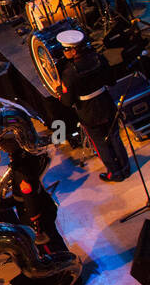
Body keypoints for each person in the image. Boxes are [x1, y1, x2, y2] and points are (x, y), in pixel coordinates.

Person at [55, 29, 129, 181]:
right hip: (106, 104)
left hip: (88, 112)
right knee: (115, 137)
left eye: (66, 49)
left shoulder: (69, 73)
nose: (64, 53)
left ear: (74, 50)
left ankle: (114, 173)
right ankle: (125, 168)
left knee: (101, 144)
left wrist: (59, 92)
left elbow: (68, 102)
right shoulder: (98, 58)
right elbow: (111, 81)